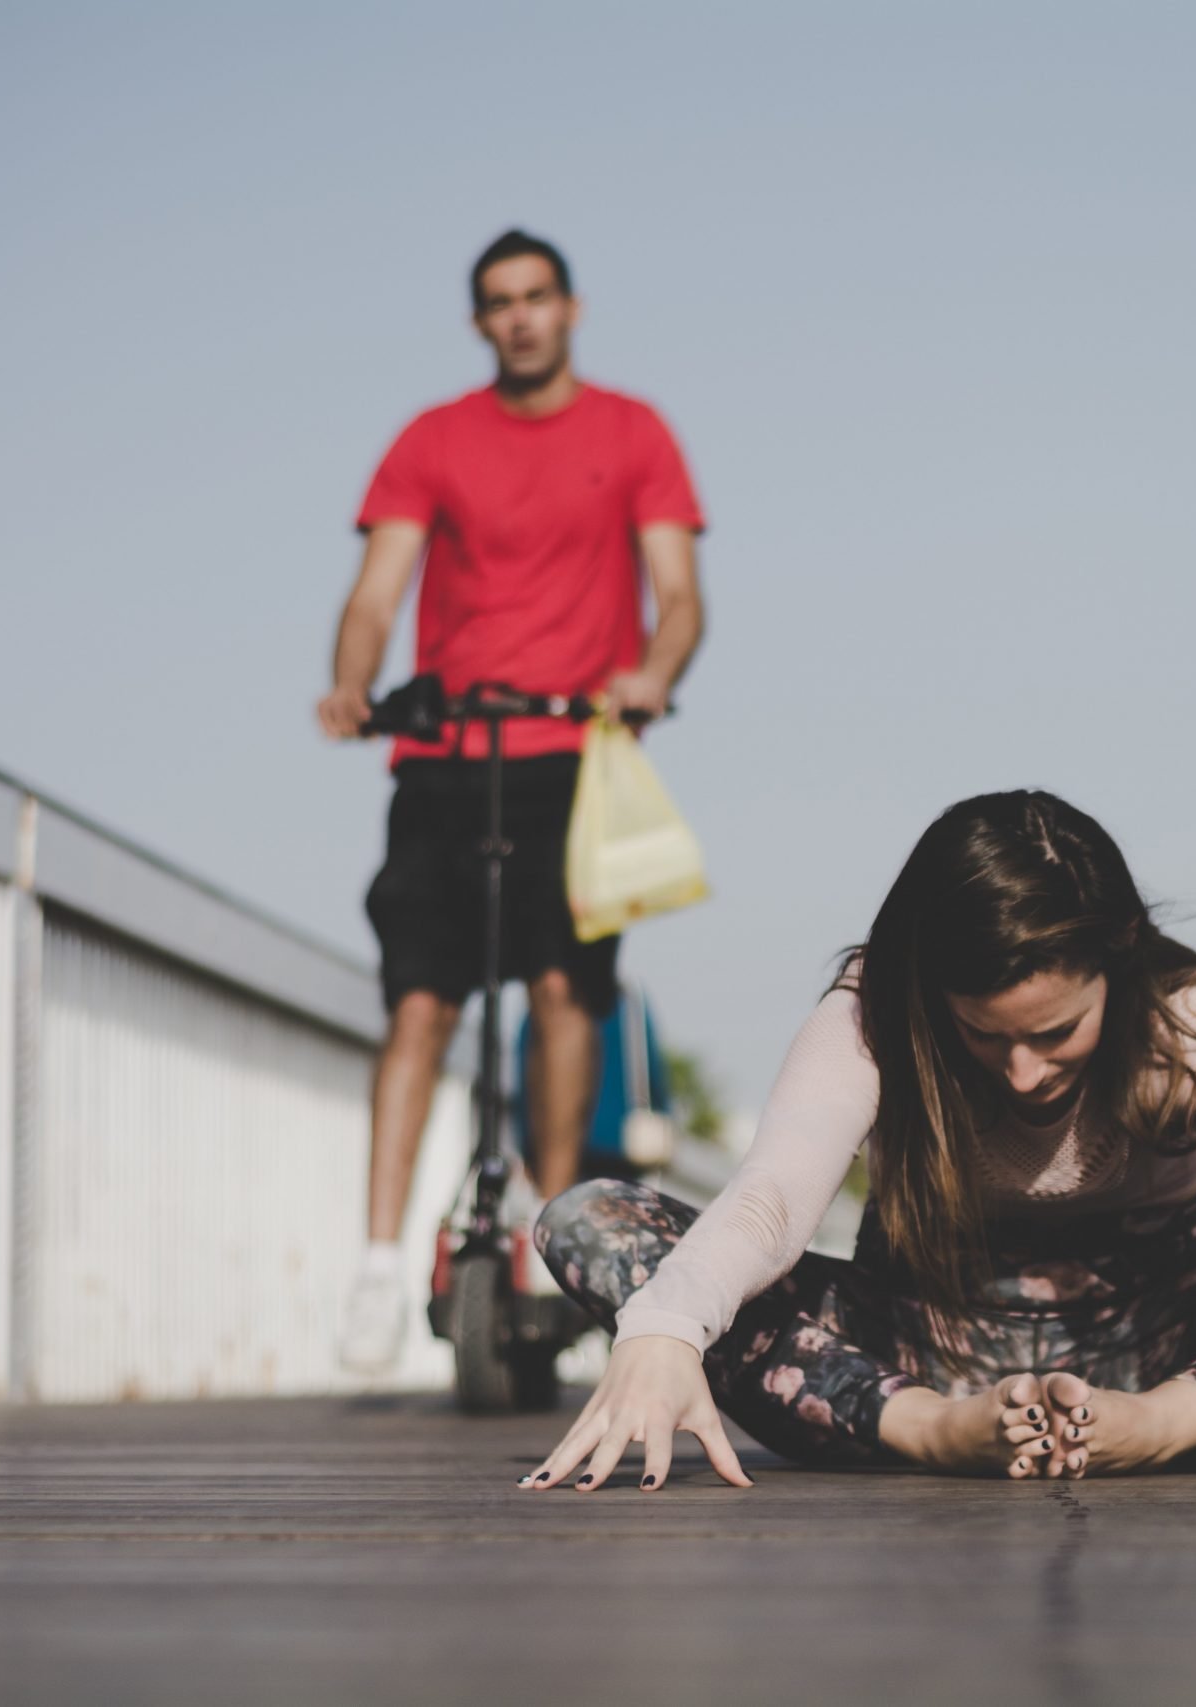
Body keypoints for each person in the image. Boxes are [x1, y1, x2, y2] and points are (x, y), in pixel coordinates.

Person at [521, 791, 1196, 1491]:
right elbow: (769, 1203)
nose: (1021, 1072)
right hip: (915, 1345)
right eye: (983, 1035)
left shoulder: (1195, 1015)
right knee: (590, 1218)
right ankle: (931, 1434)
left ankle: (1164, 1428)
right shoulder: (875, 1016)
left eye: (1054, 1033)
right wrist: (661, 1331)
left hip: (1170, 1345)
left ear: (1120, 959)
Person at [320, 230, 707, 1373]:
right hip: (446, 745)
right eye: (500, 302)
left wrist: (652, 675)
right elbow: (375, 590)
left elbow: (678, 595)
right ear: (480, 321)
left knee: (561, 990)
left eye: (539, 297)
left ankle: (555, 1247)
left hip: (575, 748)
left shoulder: (633, 433)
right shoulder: (432, 440)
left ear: (571, 308)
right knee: (421, 1006)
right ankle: (378, 1271)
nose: (522, 317)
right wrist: (353, 682)